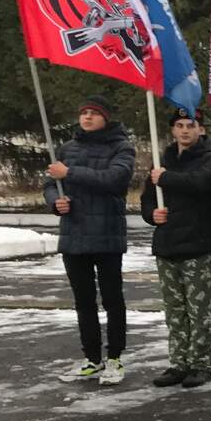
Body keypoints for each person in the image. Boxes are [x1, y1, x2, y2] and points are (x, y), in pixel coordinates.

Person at [43, 95, 135, 384]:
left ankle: (115, 358)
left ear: (105, 118)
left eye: (94, 113)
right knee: (83, 301)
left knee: (112, 299)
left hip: (107, 235)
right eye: (84, 113)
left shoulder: (121, 147)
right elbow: (49, 183)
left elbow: (115, 180)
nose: (87, 117)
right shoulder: (67, 148)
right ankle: (92, 358)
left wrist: (70, 172)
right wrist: (56, 201)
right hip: (74, 236)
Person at [140, 107, 211, 387]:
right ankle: (179, 362)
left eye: (191, 125)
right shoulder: (162, 158)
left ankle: (201, 364)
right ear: (173, 130)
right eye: (179, 125)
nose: (185, 130)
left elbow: (201, 184)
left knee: (199, 311)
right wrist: (151, 214)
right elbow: (147, 198)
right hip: (167, 244)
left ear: (200, 129)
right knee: (174, 310)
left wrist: (165, 178)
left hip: (197, 244)